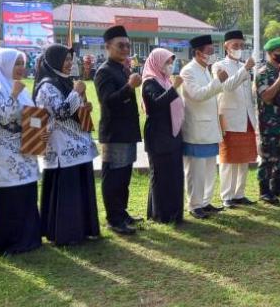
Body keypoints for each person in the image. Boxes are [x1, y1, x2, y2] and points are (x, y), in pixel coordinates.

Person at [35, 44, 100, 246]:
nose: (69, 64)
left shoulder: (66, 81)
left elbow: (73, 111)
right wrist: (76, 93)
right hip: (61, 146)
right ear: (54, 61)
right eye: (65, 60)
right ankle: (66, 233)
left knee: (80, 188)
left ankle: (84, 229)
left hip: (78, 144)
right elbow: (61, 112)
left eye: (71, 60)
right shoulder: (47, 86)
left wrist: (84, 106)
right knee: (68, 191)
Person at [0, 48, 44, 256]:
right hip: (6, 148)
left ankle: (29, 238)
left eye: (22, 63)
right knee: (10, 192)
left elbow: (33, 115)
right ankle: (9, 241)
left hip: (27, 146)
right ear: (5, 65)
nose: (21, 68)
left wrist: (39, 132)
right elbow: (2, 116)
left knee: (27, 190)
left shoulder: (22, 88)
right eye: (16, 64)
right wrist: (13, 94)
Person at [94, 25, 142, 235]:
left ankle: (121, 213)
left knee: (124, 176)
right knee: (114, 177)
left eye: (127, 45)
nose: (125, 49)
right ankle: (113, 218)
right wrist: (129, 87)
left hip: (127, 131)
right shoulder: (104, 71)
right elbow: (108, 102)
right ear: (108, 47)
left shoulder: (123, 68)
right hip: (114, 133)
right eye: (120, 45)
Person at [180, 34, 228, 219]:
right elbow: (197, 95)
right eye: (209, 51)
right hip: (196, 129)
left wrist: (217, 81)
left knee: (209, 170)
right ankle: (194, 205)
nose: (212, 54)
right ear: (198, 53)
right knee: (195, 171)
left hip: (210, 128)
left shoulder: (206, 69)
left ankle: (205, 202)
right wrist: (218, 81)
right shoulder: (188, 71)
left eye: (213, 50)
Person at [213, 30, 258, 208]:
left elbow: (248, 93)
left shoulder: (243, 66)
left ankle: (239, 194)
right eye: (235, 45)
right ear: (226, 46)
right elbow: (228, 87)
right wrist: (245, 69)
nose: (239, 48)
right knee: (228, 159)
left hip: (246, 117)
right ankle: (227, 196)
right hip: (229, 117)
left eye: (241, 45)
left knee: (244, 159)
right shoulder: (218, 66)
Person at [141, 48, 185, 224]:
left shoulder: (165, 81)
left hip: (172, 134)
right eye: (167, 62)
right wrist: (174, 88)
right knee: (160, 176)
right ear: (157, 62)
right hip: (158, 135)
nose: (170, 66)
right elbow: (155, 106)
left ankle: (175, 212)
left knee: (175, 175)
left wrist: (172, 86)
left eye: (171, 62)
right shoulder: (149, 82)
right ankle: (160, 214)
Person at [255, 37, 280, 204]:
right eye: (279, 51)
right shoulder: (263, 72)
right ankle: (264, 191)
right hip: (269, 124)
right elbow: (266, 96)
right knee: (268, 158)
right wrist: (279, 80)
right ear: (270, 53)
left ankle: (277, 186)